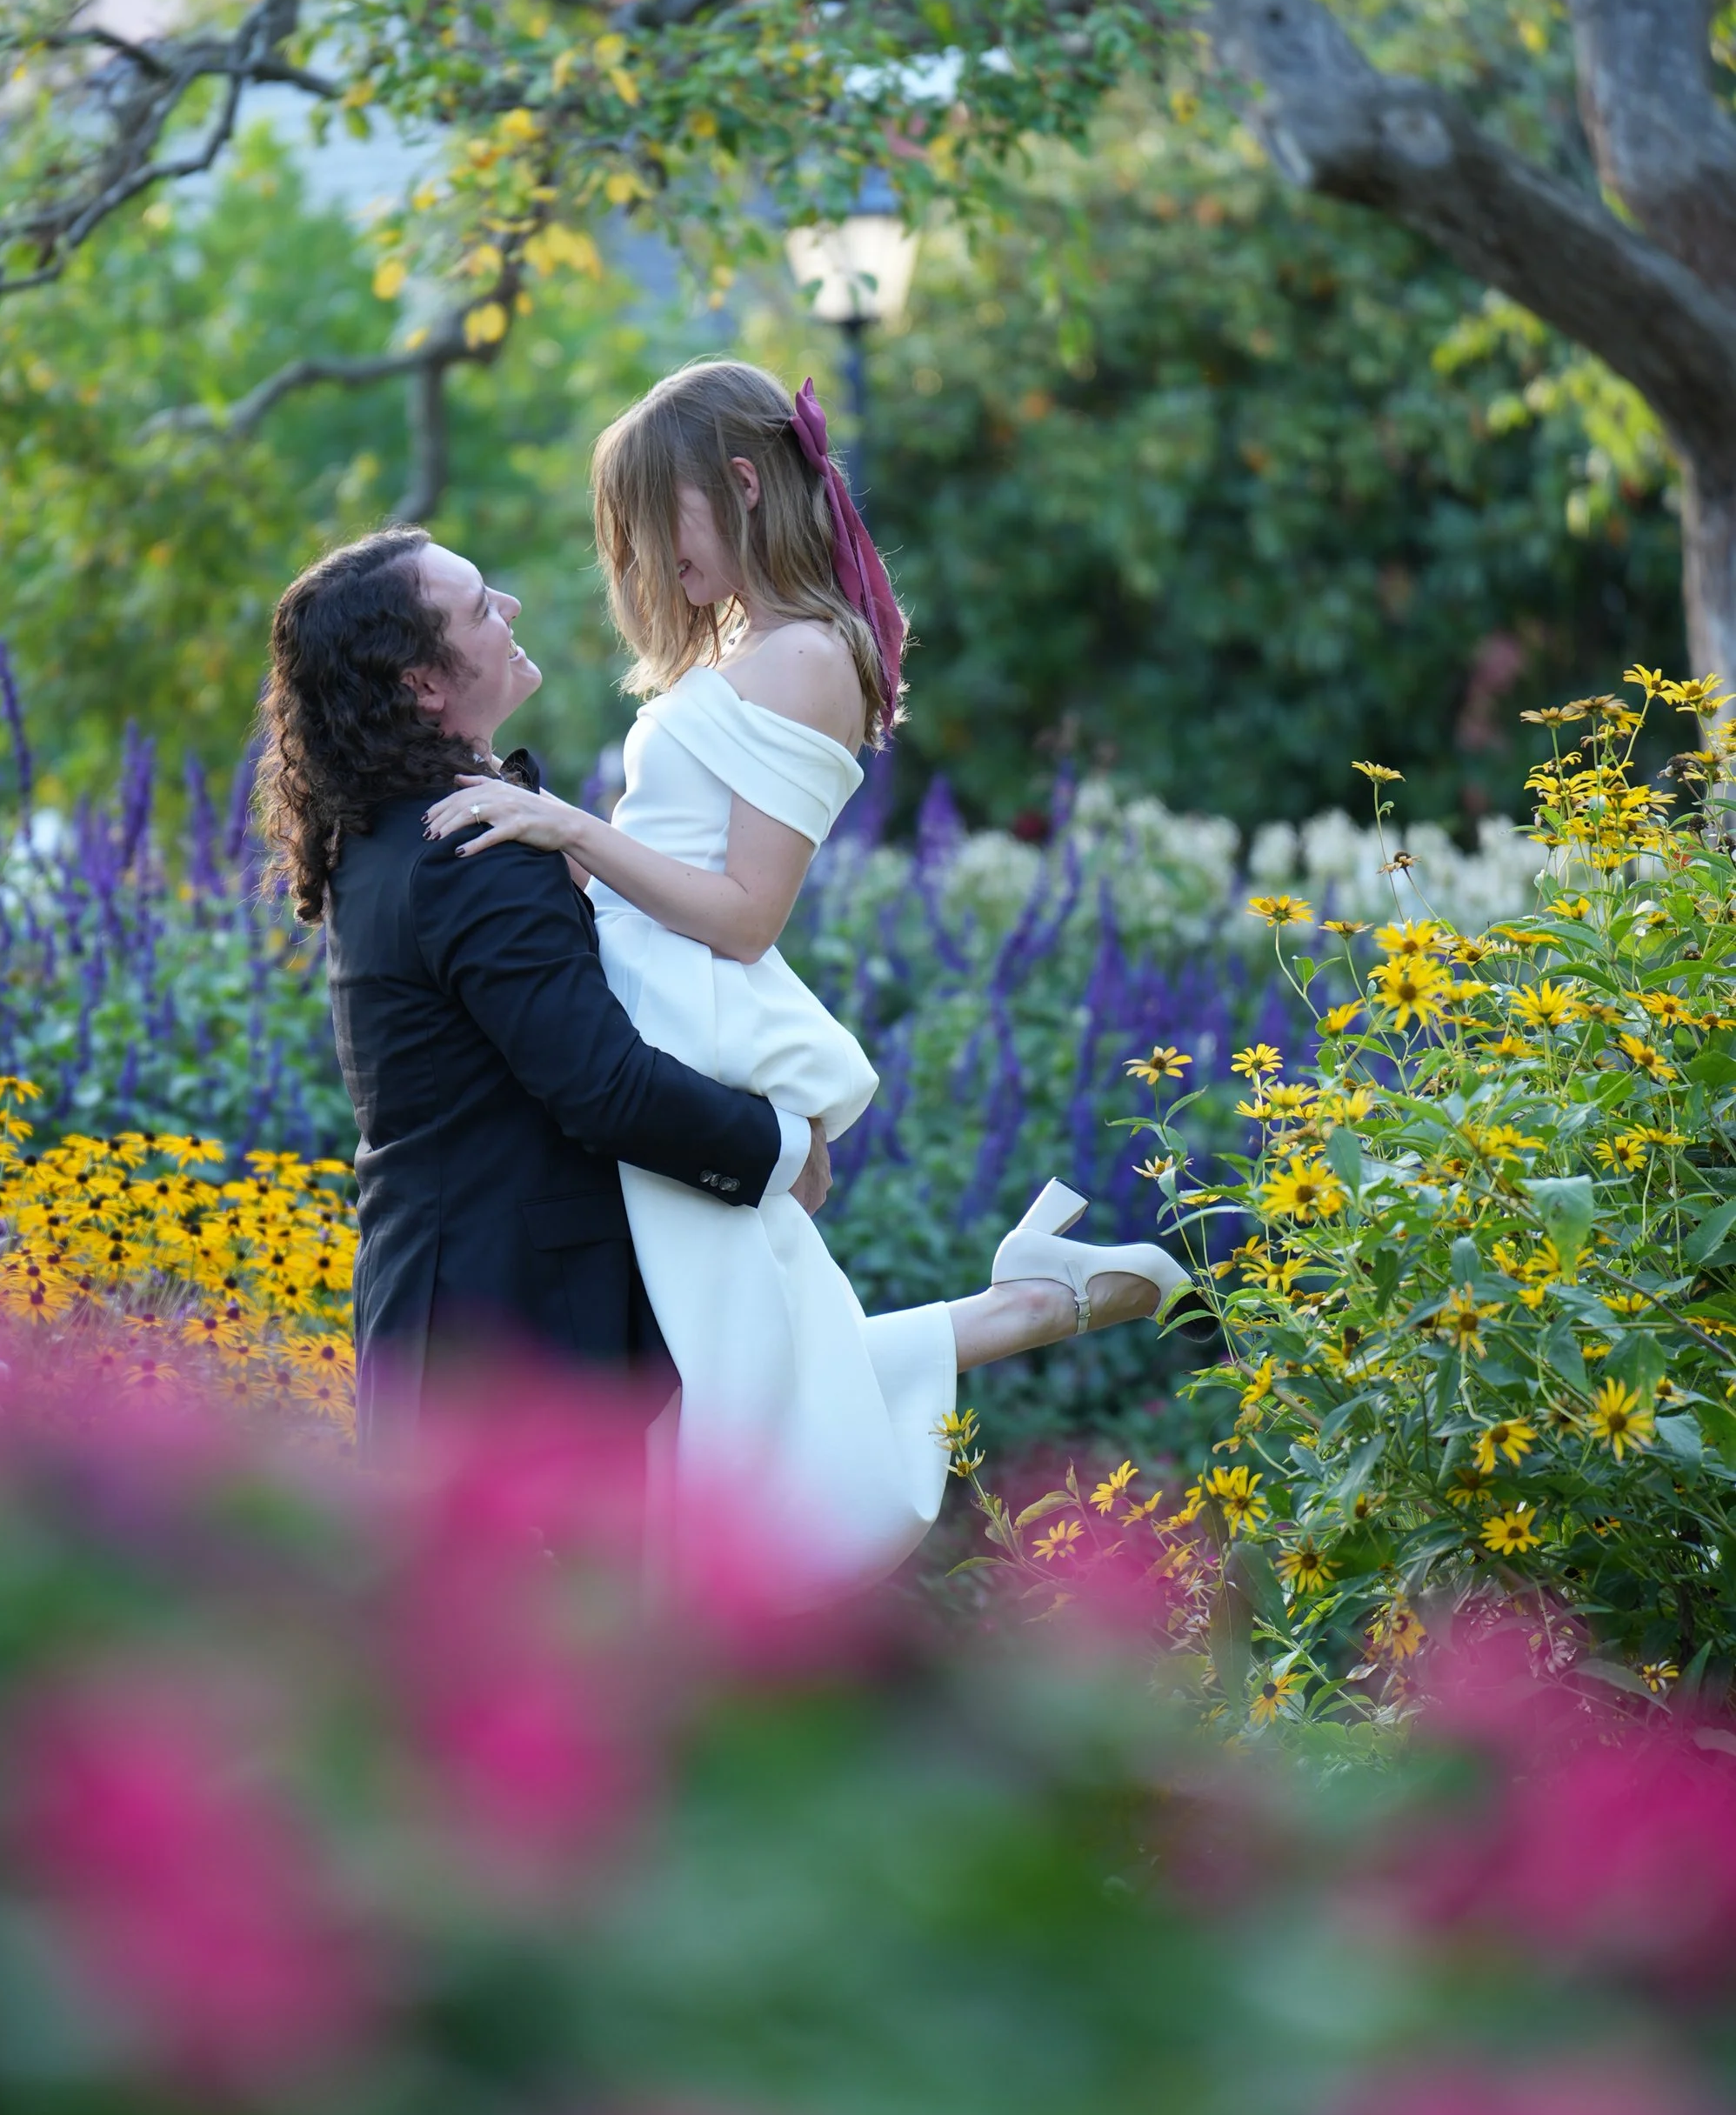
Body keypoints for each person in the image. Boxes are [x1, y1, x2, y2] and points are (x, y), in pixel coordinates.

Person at [421, 358, 1189, 1569]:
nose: (636, 558)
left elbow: (744, 914)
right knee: (742, 1358)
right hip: (646, 1000)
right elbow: (669, 859)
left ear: (735, 484)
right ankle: (1033, 1303)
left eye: (648, 520)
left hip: (692, 1014)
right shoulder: (754, 649)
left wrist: (575, 830)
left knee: (734, 1381)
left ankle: (711, 1642)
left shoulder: (806, 657)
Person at [256, 525, 832, 1446]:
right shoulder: (471, 852)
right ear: (424, 683)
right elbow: (601, 1088)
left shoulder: (390, 834)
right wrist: (777, 1150)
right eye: (481, 606)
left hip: (445, 1324)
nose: (511, 609)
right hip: (511, 1348)